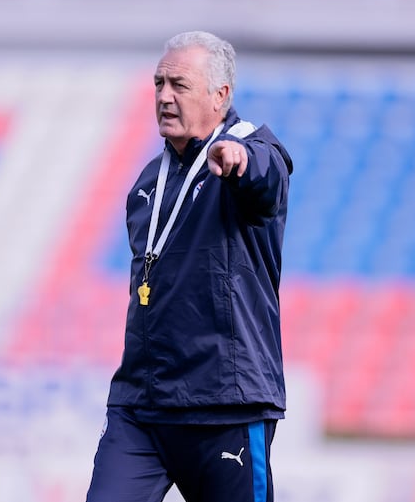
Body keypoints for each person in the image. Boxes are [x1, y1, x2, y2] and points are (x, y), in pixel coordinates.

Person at [86, 31, 293, 502]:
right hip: (143, 404)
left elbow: (264, 181)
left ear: (220, 95)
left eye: (178, 85)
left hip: (224, 405)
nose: (163, 96)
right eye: (158, 83)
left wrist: (239, 163)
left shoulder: (251, 148)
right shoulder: (147, 185)